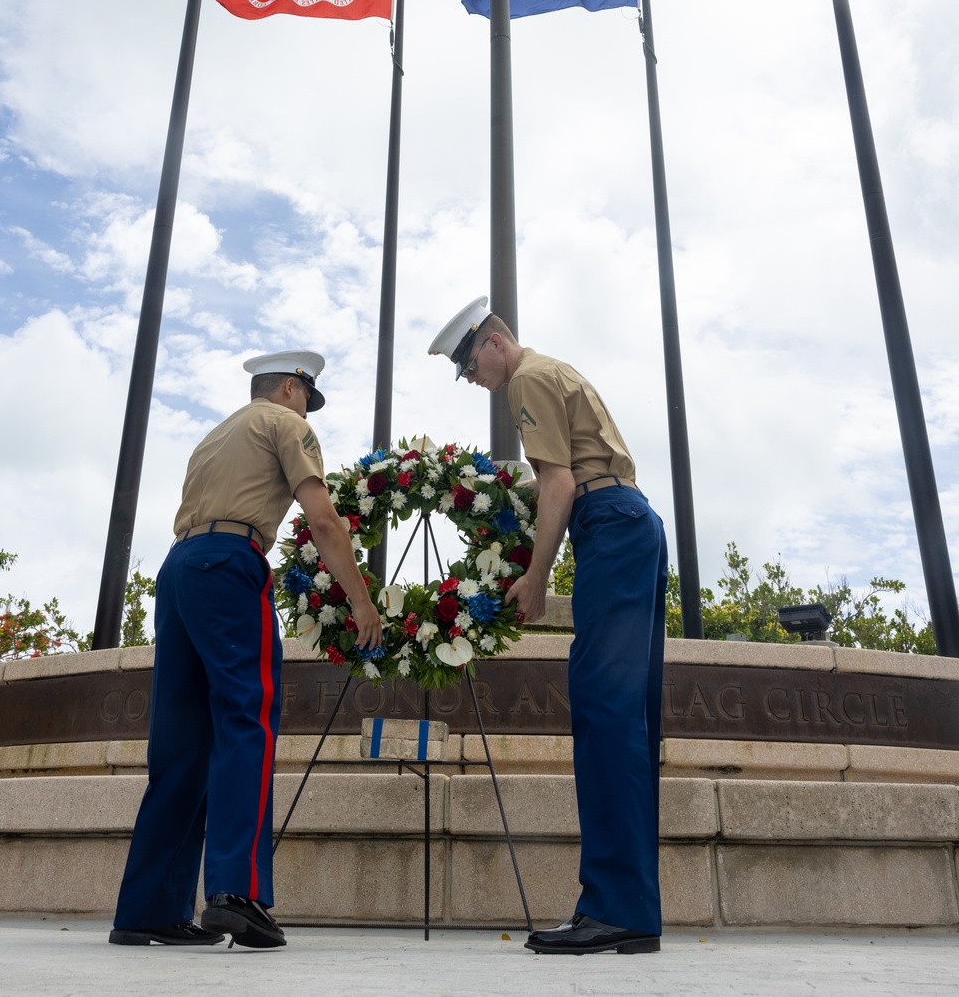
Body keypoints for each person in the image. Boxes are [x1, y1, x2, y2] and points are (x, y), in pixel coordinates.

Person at [110, 351, 382, 950]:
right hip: (230, 563)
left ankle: (147, 909)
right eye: (308, 397)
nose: (309, 409)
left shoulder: (213, 438)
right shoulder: (287, 425)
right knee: (246, 719)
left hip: (178, 567)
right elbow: (323, 520)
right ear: (291, 388)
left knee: (181, 742)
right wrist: (361, 601)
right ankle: (238, 892)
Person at [429, 299, 668, 957]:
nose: (472, 377)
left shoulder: (528, 379)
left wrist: (535, 577)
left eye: (469, 361)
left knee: (604, 711)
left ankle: (613, 908)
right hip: (630, 521)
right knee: (628, 719)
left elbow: (557, 484)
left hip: (608, 525)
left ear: (495, 341)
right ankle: (631, 908)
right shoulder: (553, 372)